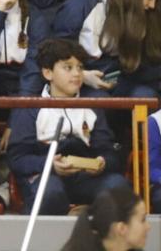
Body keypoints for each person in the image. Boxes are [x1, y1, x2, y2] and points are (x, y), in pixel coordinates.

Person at [7, 38, 129, 215]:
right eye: (68, 67)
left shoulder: (93, 106)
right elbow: (17, 159)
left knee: (118, 186)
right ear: (48, 73)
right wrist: (49, 164)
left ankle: (87, 216)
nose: (77, 74)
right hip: (46, 176)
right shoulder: (30, 108)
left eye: (80, 67)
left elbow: (108, 151)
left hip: (85, 178)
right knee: (51, 192)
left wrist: (103, 162)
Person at [52, 0, 161, 98]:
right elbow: (55, 57)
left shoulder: (144, 15)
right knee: (100, 99)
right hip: (81, 85)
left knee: (145, 96)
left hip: (122, 83)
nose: (152, 5)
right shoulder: (79, 8)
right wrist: (82, 76)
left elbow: (148, 66)